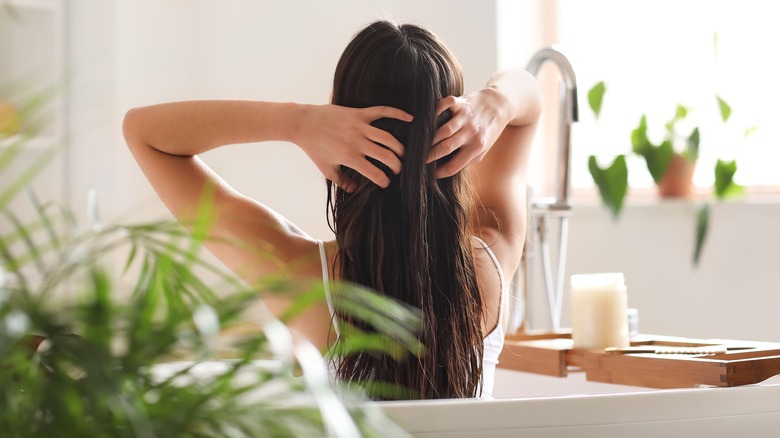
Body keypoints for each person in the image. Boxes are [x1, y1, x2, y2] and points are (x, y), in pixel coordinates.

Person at [123, 20, 541, 400]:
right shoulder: (490, 265)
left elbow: (144, 132)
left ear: (336, 122)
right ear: (461, 132)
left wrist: (298, 122)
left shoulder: (300, 277)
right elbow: (530, 103)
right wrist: (493, 103)